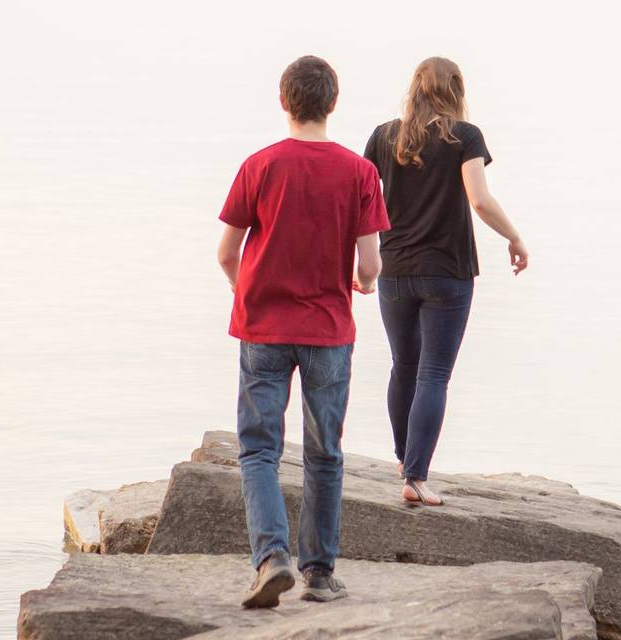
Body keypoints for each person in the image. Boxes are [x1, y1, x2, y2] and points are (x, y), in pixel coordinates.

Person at [217, 55, 389, 608]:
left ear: (284, 101)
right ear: (331, 103)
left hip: (263, 327)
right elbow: (370, 266)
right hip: (327, 331)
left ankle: (272, 559)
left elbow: (226, 252)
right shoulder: (359, 173)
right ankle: (318, 575)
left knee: (259, 451)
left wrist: (247, 291)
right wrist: (361, 284)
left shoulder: (259, 165)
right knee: (325, 453)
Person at [364, 57, 528, 507]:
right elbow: (479, 198)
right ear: (456, 89)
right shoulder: (464, 136)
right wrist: (514, 237)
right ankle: (415, 476)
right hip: (448, 272)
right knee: (433, 374)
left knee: (404, 366)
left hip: (394, 268)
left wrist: (358, 259)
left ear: (414, 87)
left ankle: (404, 460)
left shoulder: (384, 135)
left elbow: (361, 196)